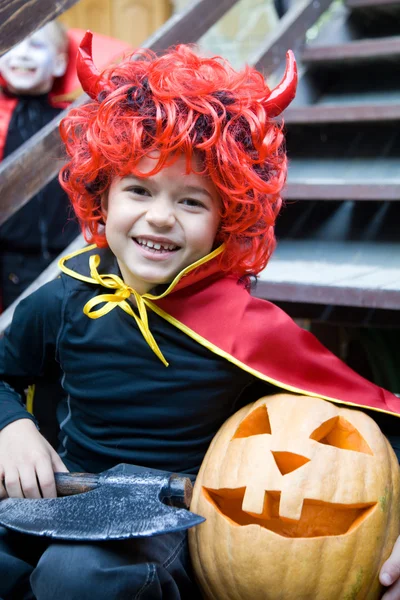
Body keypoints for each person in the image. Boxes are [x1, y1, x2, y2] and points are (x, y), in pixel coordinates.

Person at [0, 31, 400, 599]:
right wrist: (10, 427)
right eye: (139, 190)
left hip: (171, 523)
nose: (160, 218)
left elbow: (371, 423)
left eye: (191, 201)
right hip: (65, 498)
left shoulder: (242, 326)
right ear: (102, 196)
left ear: (227, 218)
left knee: (78, 576)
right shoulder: (67, 297)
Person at [0, 21, 81, 310]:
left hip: (69, 250)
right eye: (12, 43)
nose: (21, 55)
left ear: (60, 64)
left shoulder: (74, 120)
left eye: (35, 45)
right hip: (11, 257)